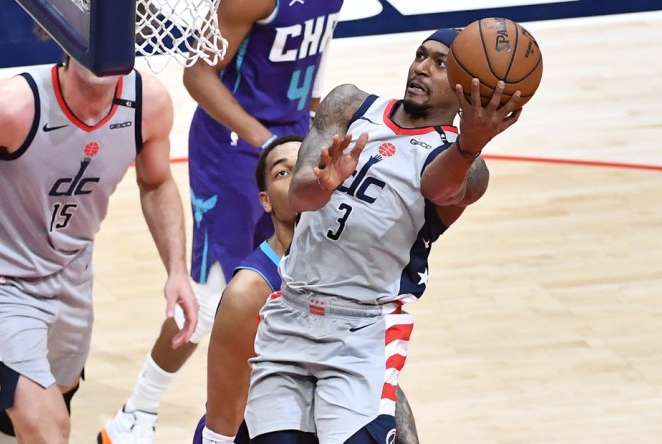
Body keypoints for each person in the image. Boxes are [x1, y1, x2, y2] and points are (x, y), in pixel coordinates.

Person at [244, 28, 524, 443]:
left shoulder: (468, 169)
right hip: (291, 313)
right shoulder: (349, 105)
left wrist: (470, 144)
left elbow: (441, 189)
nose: (421, 67)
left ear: (467, 90)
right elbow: (299, 197)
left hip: (361, 334)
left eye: (440, 63)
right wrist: (324, 182)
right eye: (420, 55)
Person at [0, 52, 198, 444]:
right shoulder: (13, 105)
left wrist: (176, 270)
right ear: (69, 37)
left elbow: (157, 182)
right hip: (0, 280)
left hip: (73, 272)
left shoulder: (149, 102)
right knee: (48, 427)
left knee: (50, 402)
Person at [100, 0, 345, 441]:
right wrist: (268, 142)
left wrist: (315, 125)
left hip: (291, 141)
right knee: (212, 298)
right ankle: (134, 414)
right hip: (234, 147)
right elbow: (197, 75)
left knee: (294, 278)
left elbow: (314, 55)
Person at [193, 135, 420, 444]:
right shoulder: (249, 291)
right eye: (282, 172)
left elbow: (375, 373)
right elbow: (220, 424)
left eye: (307, 163)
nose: (299, 175)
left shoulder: (349, 271)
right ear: (266, 200)